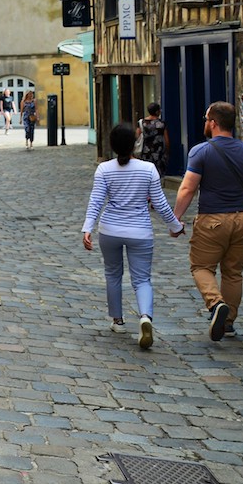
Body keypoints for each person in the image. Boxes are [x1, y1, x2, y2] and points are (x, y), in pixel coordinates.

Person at [171, 101, 243, 341]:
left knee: (201, 267)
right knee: (233, 273)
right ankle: (228, 322)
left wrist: (175, 218)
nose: (204, 123)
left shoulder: (201, 151)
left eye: (206, 119)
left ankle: (215, 303)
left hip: (212, 219)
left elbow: (188, 188)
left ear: (214, 123)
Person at [82, 123, 185, 349]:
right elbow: (160, 203)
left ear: (112, 145)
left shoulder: (104, 169)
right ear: (134, 145)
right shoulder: (148, 169)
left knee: (113, 274)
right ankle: (145, 317)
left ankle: (117, 321)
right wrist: (176, 226)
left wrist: (88, 227)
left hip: (110, 230)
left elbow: (96, 200)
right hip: (140, 231)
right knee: (142, 279)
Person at [138, 102, 169, 178]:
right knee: (158, 172)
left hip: (146, 152)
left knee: (146, 172)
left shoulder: (142, 123)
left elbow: (137, 136)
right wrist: (167, 151)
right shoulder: (161, 124)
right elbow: (166, 140)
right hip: (159, 152)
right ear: (157, 111)